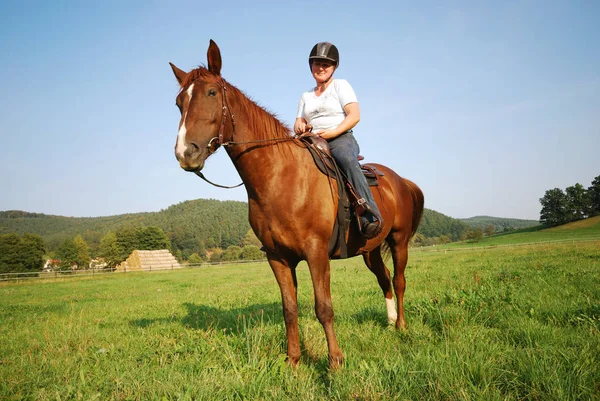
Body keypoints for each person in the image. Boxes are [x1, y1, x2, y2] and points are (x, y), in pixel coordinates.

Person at [294, 42, 382, 238]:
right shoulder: (306, 96)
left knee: (346, 158)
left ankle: (370, 214)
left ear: (334, 67)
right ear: (311, 67)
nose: (321, 68)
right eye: (317, 64)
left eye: (326, 64)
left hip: (340, 138)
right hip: (311, 141)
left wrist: (333, 132)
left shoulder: (341, 85)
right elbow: (299, 121)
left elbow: (354, 115)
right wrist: (300, 125)